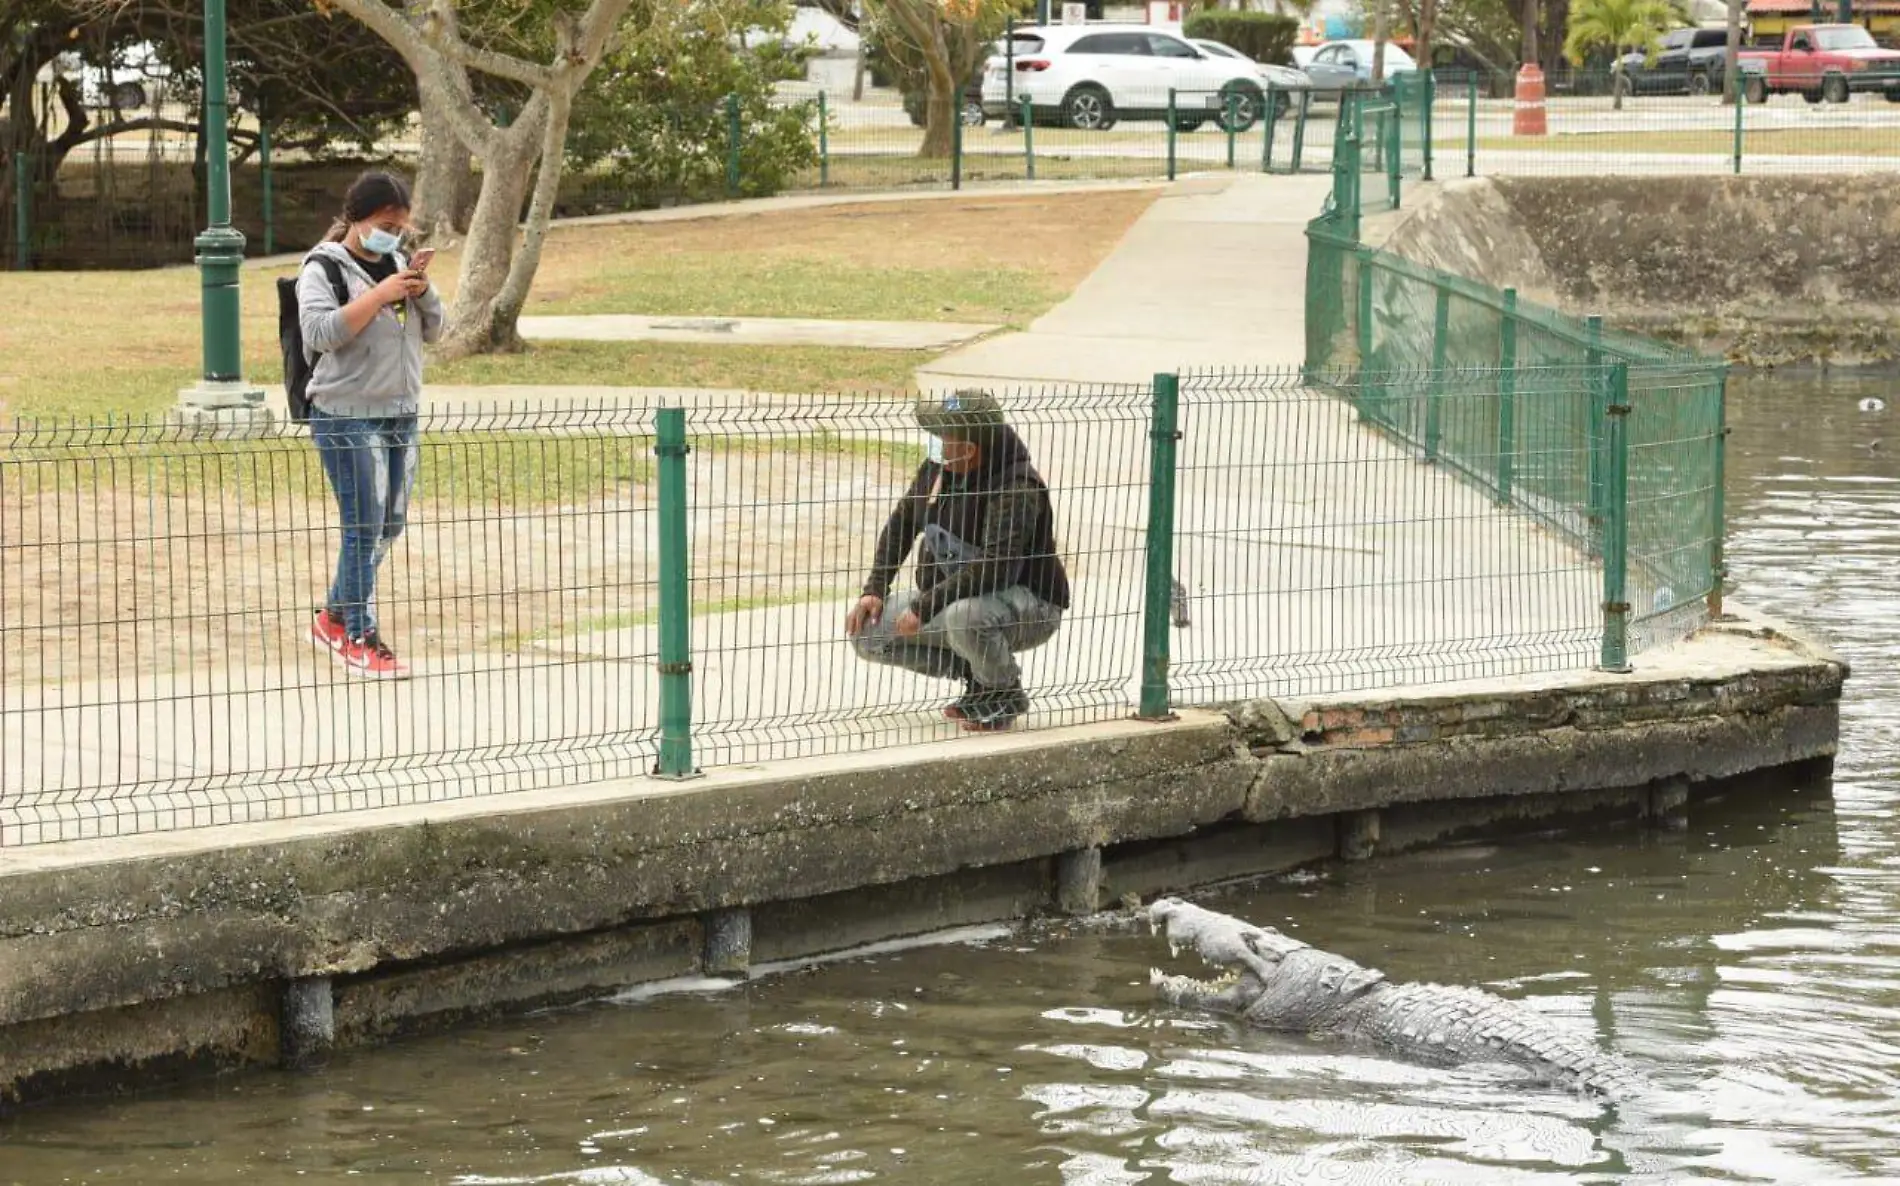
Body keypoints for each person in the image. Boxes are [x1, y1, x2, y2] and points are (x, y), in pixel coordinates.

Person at [846, 391, 1071, 731]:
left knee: (963, 616)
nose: (937, 443)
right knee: (868, 634)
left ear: (971, 449)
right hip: (956, 601)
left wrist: (925, 606)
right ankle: (978, 676)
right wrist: (875, 587)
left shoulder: (1016, 487)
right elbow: (903, 522)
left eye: (944, 437)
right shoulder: (940, 467)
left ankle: (1003, 693)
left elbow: (996, 567)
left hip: (1029, 605)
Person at [298, 170, 444, 679]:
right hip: (345, 414)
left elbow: (438, 330)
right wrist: (379, 295)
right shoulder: (324, 267)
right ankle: (358, 633)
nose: (393, 236)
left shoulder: (399, 263)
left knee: (389, 525)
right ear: (356, 218)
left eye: (401, 228)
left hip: (400, 412)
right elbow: (319, 333)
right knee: (362, 527)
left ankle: (334, 615)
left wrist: (420, 291)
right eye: (385, 224)